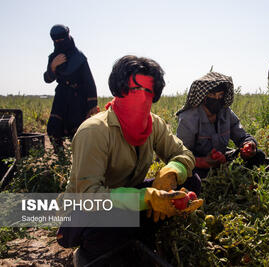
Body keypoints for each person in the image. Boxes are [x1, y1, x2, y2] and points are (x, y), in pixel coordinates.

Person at [57, 55, 203, 266]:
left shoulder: (154, 125)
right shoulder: (95, 131)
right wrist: (145, 198)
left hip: (129, 201)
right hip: (86, 211)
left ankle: (140, 232)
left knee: (191, 181)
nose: (141, 98)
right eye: (134, 90)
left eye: (148, 91)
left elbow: (185, 155)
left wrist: (171, 172)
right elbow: (88, 196)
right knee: (111, 224)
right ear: (119, 89)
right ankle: (87, 254)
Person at [176, 72, 269, 178]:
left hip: (222, 158)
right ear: (203, 96)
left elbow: (242, 136)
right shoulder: (188, 118)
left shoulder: (225, 112)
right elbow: (182, 154)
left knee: (258, 156)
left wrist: (248, 145)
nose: (217, 99)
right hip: (199, 164)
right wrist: (204, 162)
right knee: (190, 174)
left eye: (220, 95)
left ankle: (234, 176)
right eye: (212, 95)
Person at [43, 24, 99, 154]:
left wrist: (92, 105)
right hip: (61, 96)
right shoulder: (53, 57)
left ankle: (79, 159)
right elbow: (47, 79)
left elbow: (89, 81)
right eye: (56, 41)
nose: (59, 43)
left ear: (67, 38)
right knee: (54, 127)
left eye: (61, 40)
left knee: (78, 129)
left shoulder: (79, 57)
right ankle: (60, 157)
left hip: (78, 98)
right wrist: (53, 66)